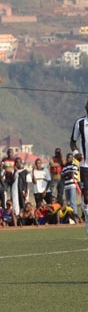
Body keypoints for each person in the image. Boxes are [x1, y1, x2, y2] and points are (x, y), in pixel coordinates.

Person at [69, 98, 88, 231]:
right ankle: (87, 219)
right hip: (85, 166)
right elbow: (72, 141)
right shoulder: (80, 123)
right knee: (86, 197)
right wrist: (76, 152)